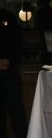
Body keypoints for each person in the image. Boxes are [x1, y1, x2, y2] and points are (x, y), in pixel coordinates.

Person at [0, 8, 28, 138]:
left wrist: (8, 60)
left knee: (16, 110)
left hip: (8, 69)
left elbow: (18, 41)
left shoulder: (6, 16)